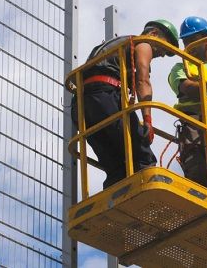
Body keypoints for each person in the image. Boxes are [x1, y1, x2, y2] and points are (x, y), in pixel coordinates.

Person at [71, 19, 179, 188]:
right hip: (105, 97)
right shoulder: (143, 44)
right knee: (142, 155)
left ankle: (117, 198)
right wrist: (148, 121)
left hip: (82, 105)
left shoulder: (115, 47)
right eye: (163, 48)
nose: (162, 54)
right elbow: (143, 82)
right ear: (154, 34)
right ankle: (149, 195)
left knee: (116, 166)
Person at [168, 16, 207, 191]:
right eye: (186, 42)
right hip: (194, 122)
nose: (189, 47)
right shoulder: (181, 68)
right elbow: (188, 88)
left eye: (193, 40)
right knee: (198, 167)